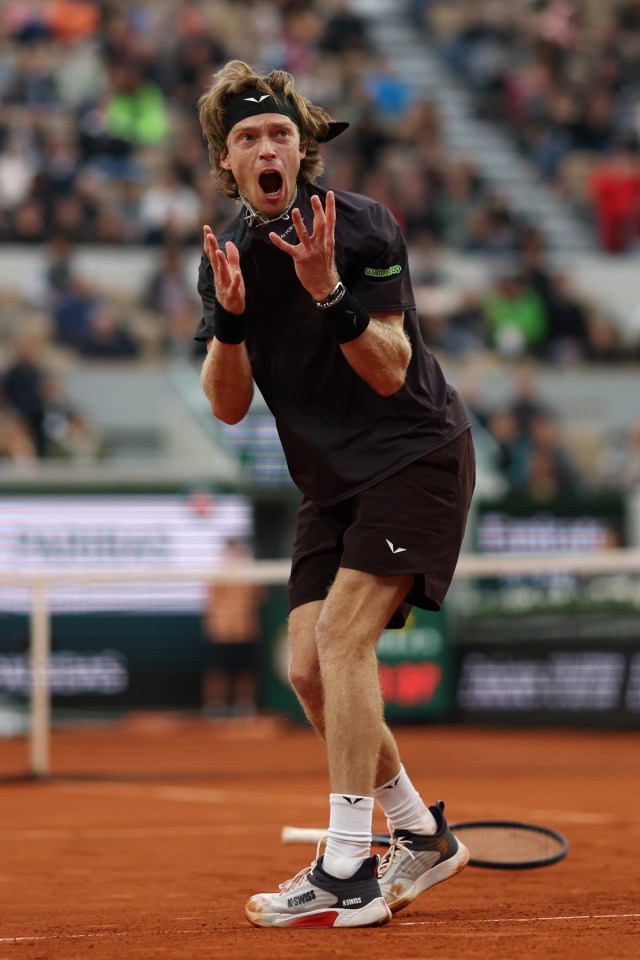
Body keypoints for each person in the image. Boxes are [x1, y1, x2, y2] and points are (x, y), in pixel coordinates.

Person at [195, 59, 475, 929]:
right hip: (331, 483)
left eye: (280, 132)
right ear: (228, 163)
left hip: (414, 456)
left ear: (303, 146)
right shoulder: (227, 258)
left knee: (345, 640)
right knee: (308, 669)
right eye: (248, 139)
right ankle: (417, 833)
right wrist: (234, 320)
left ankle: (348, 864)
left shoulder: (360, 227)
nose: (267, 147)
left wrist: (331, 296)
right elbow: (229, 403)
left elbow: (393, 371)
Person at [201, 538, 264, 719]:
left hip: (246, 632)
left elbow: (258, 596)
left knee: (245, 671)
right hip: (222, 633)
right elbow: (210, 602)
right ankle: (215, 708)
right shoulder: (217, 574)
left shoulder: (250, 575)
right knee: (218, 671)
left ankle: (245, 707)